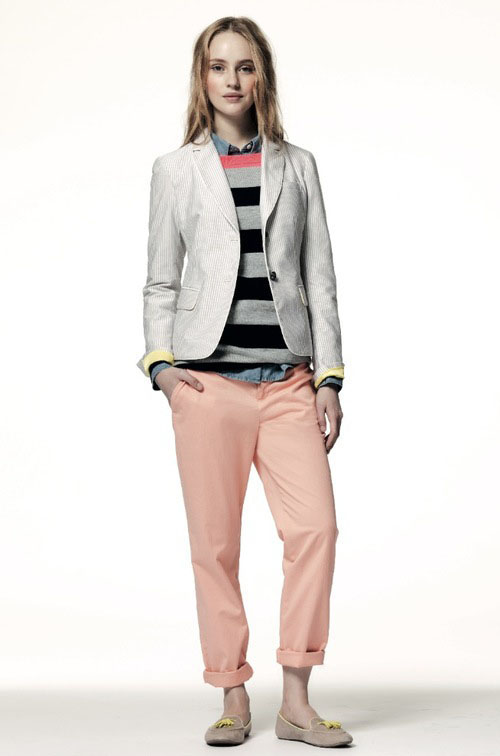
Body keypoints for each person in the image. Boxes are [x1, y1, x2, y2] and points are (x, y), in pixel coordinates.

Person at [136, 16, 354, 749]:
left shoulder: (298, 166)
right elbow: (161, 281)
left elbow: (320, 279)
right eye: (218, 66)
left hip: (289, 382)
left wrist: (329, 377)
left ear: (263, 77)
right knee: (215, 544)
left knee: (315, 530)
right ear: (201, 78)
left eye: (246, 66)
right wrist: (163, 369)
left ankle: (296, 700)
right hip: (208, 387)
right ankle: (232, 692)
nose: (232, 80)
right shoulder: (176, 170)